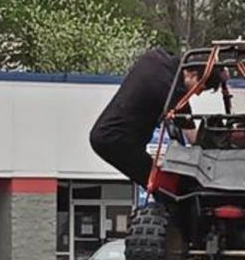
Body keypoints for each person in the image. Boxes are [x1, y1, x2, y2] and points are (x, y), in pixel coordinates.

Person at [89, 48, 223, 187]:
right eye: (200, 88)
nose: (197, 94)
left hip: (107, 133)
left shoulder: (157, 57)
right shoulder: (172, 92)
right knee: (169, 187)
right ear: (193, 75)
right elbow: (193, 137)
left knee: (158, 180)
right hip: (116, 141)